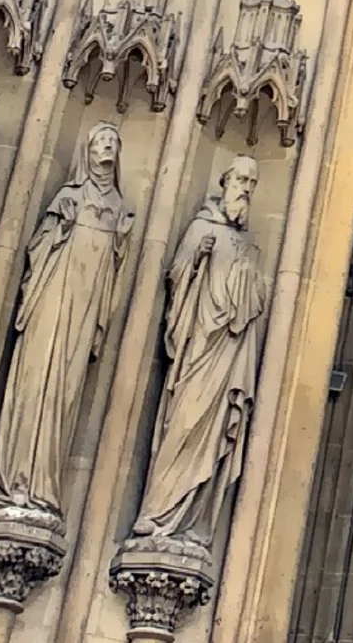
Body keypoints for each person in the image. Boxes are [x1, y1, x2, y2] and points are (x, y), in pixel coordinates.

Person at [0, 120, 135, 517]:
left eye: (112, 143)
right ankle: (14, 476)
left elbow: (113, 273)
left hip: (85, 311)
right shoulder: (68, 197)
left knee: (65, 392)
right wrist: (63, 227)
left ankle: (43, 483)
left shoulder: (120, 208)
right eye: (100, 140)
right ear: (87, 152)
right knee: (36, 379)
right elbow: (39, 249)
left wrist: (119, 241)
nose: (107, 148)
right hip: (54, 301)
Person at [128, 156, 270, 552]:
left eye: (252, 182)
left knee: (216, 428)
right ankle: (158, 510)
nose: (246, 187)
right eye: (241, 178)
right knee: (184, 421)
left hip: (228, 351)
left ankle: (191, 518)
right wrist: (195, 259)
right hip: (197, 351)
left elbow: (257, 302)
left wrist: (249, 283)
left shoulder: (248, 244)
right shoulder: (201, 230)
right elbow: (176, 278)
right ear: (225, 182)